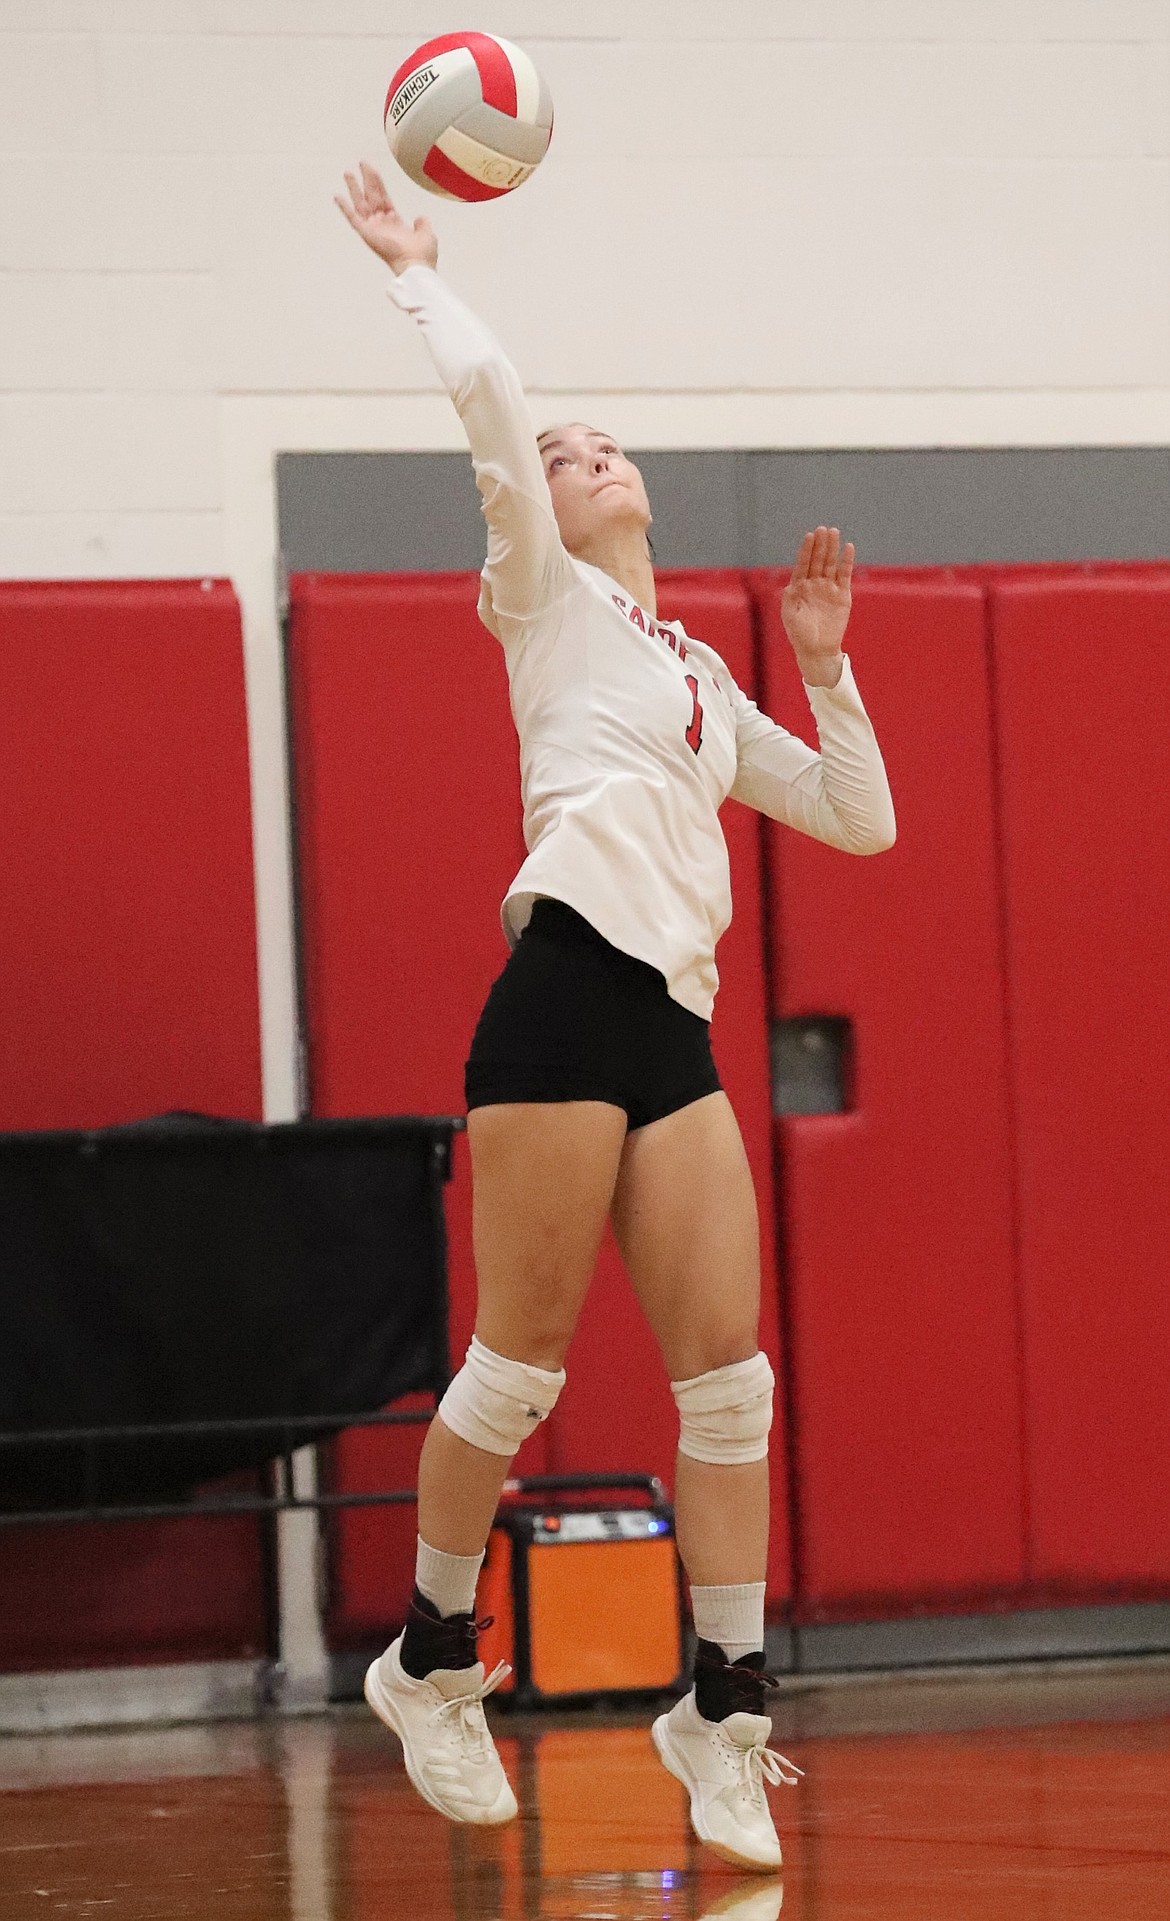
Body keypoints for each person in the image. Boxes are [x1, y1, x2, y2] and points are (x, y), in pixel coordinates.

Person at [336, 162, 896, 1873]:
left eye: (600, 445)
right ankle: (432, 1661)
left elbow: (861, 818)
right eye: (560, 456)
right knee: (517, 1369)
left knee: (730, 1391)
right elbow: (497, 410)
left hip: (671, 1023)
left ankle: (716, 1713)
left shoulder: (701, 678)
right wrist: (423, 274)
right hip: (560, 993)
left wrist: (825, 658)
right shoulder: (542, 600)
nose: (580, 454)